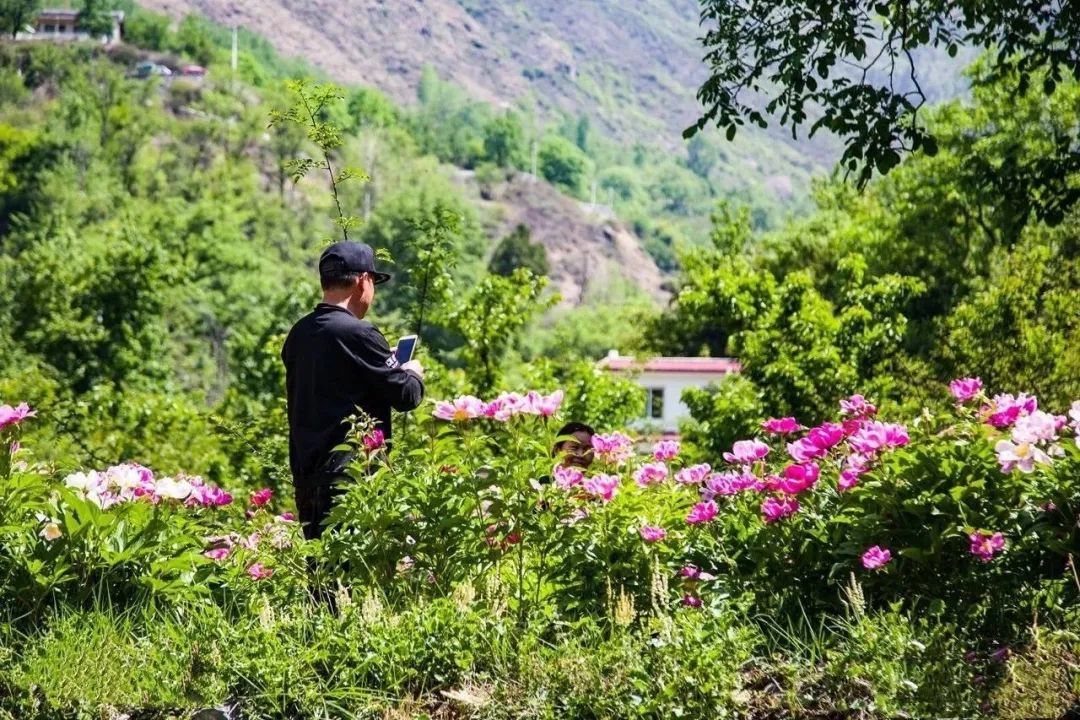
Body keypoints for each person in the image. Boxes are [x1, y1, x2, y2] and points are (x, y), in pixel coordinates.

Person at [282, 241, 425, 540]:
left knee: (321, 580)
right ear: (363, 281)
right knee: (356, 578)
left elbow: (339, 380)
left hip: (307, 479)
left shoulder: (299, 334)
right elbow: (406, 395)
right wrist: (411, 371)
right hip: (352, 480)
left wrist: (382, 360)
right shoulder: (358, 333)